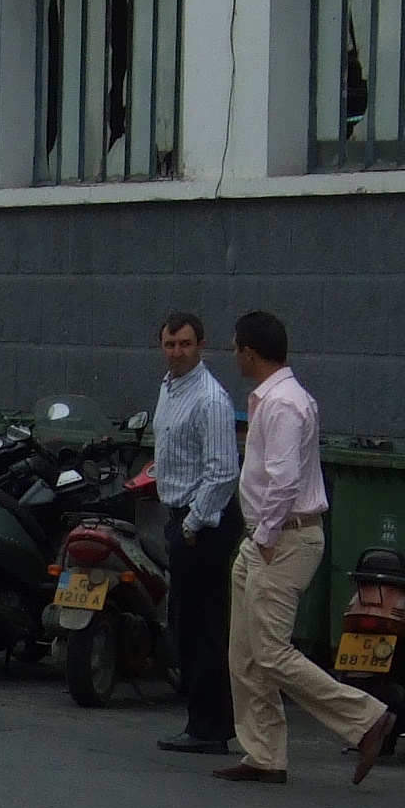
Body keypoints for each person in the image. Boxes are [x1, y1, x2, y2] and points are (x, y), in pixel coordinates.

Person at [219, 310, 395, 787]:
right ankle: (264, 753)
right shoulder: (273, 400)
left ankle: (366, 718)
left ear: (249, 353)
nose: (233, 355)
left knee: (271, 651)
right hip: (267, 535)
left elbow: (283, 480)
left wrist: (267, 537)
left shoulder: (283, 405)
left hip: (284, 536)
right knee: (245, 651)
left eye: (235, 348)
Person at [150, 311, 241, 756]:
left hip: (204, 522)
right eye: (169, 345)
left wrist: (191, 524)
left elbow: (223, 472)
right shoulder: (169, 389)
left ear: (202, 346)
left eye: (185, 344)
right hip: (180, 516)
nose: (176, 352)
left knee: (204, 626)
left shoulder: (210, 399)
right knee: (184, 622)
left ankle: (210, 727)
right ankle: (201, 717)